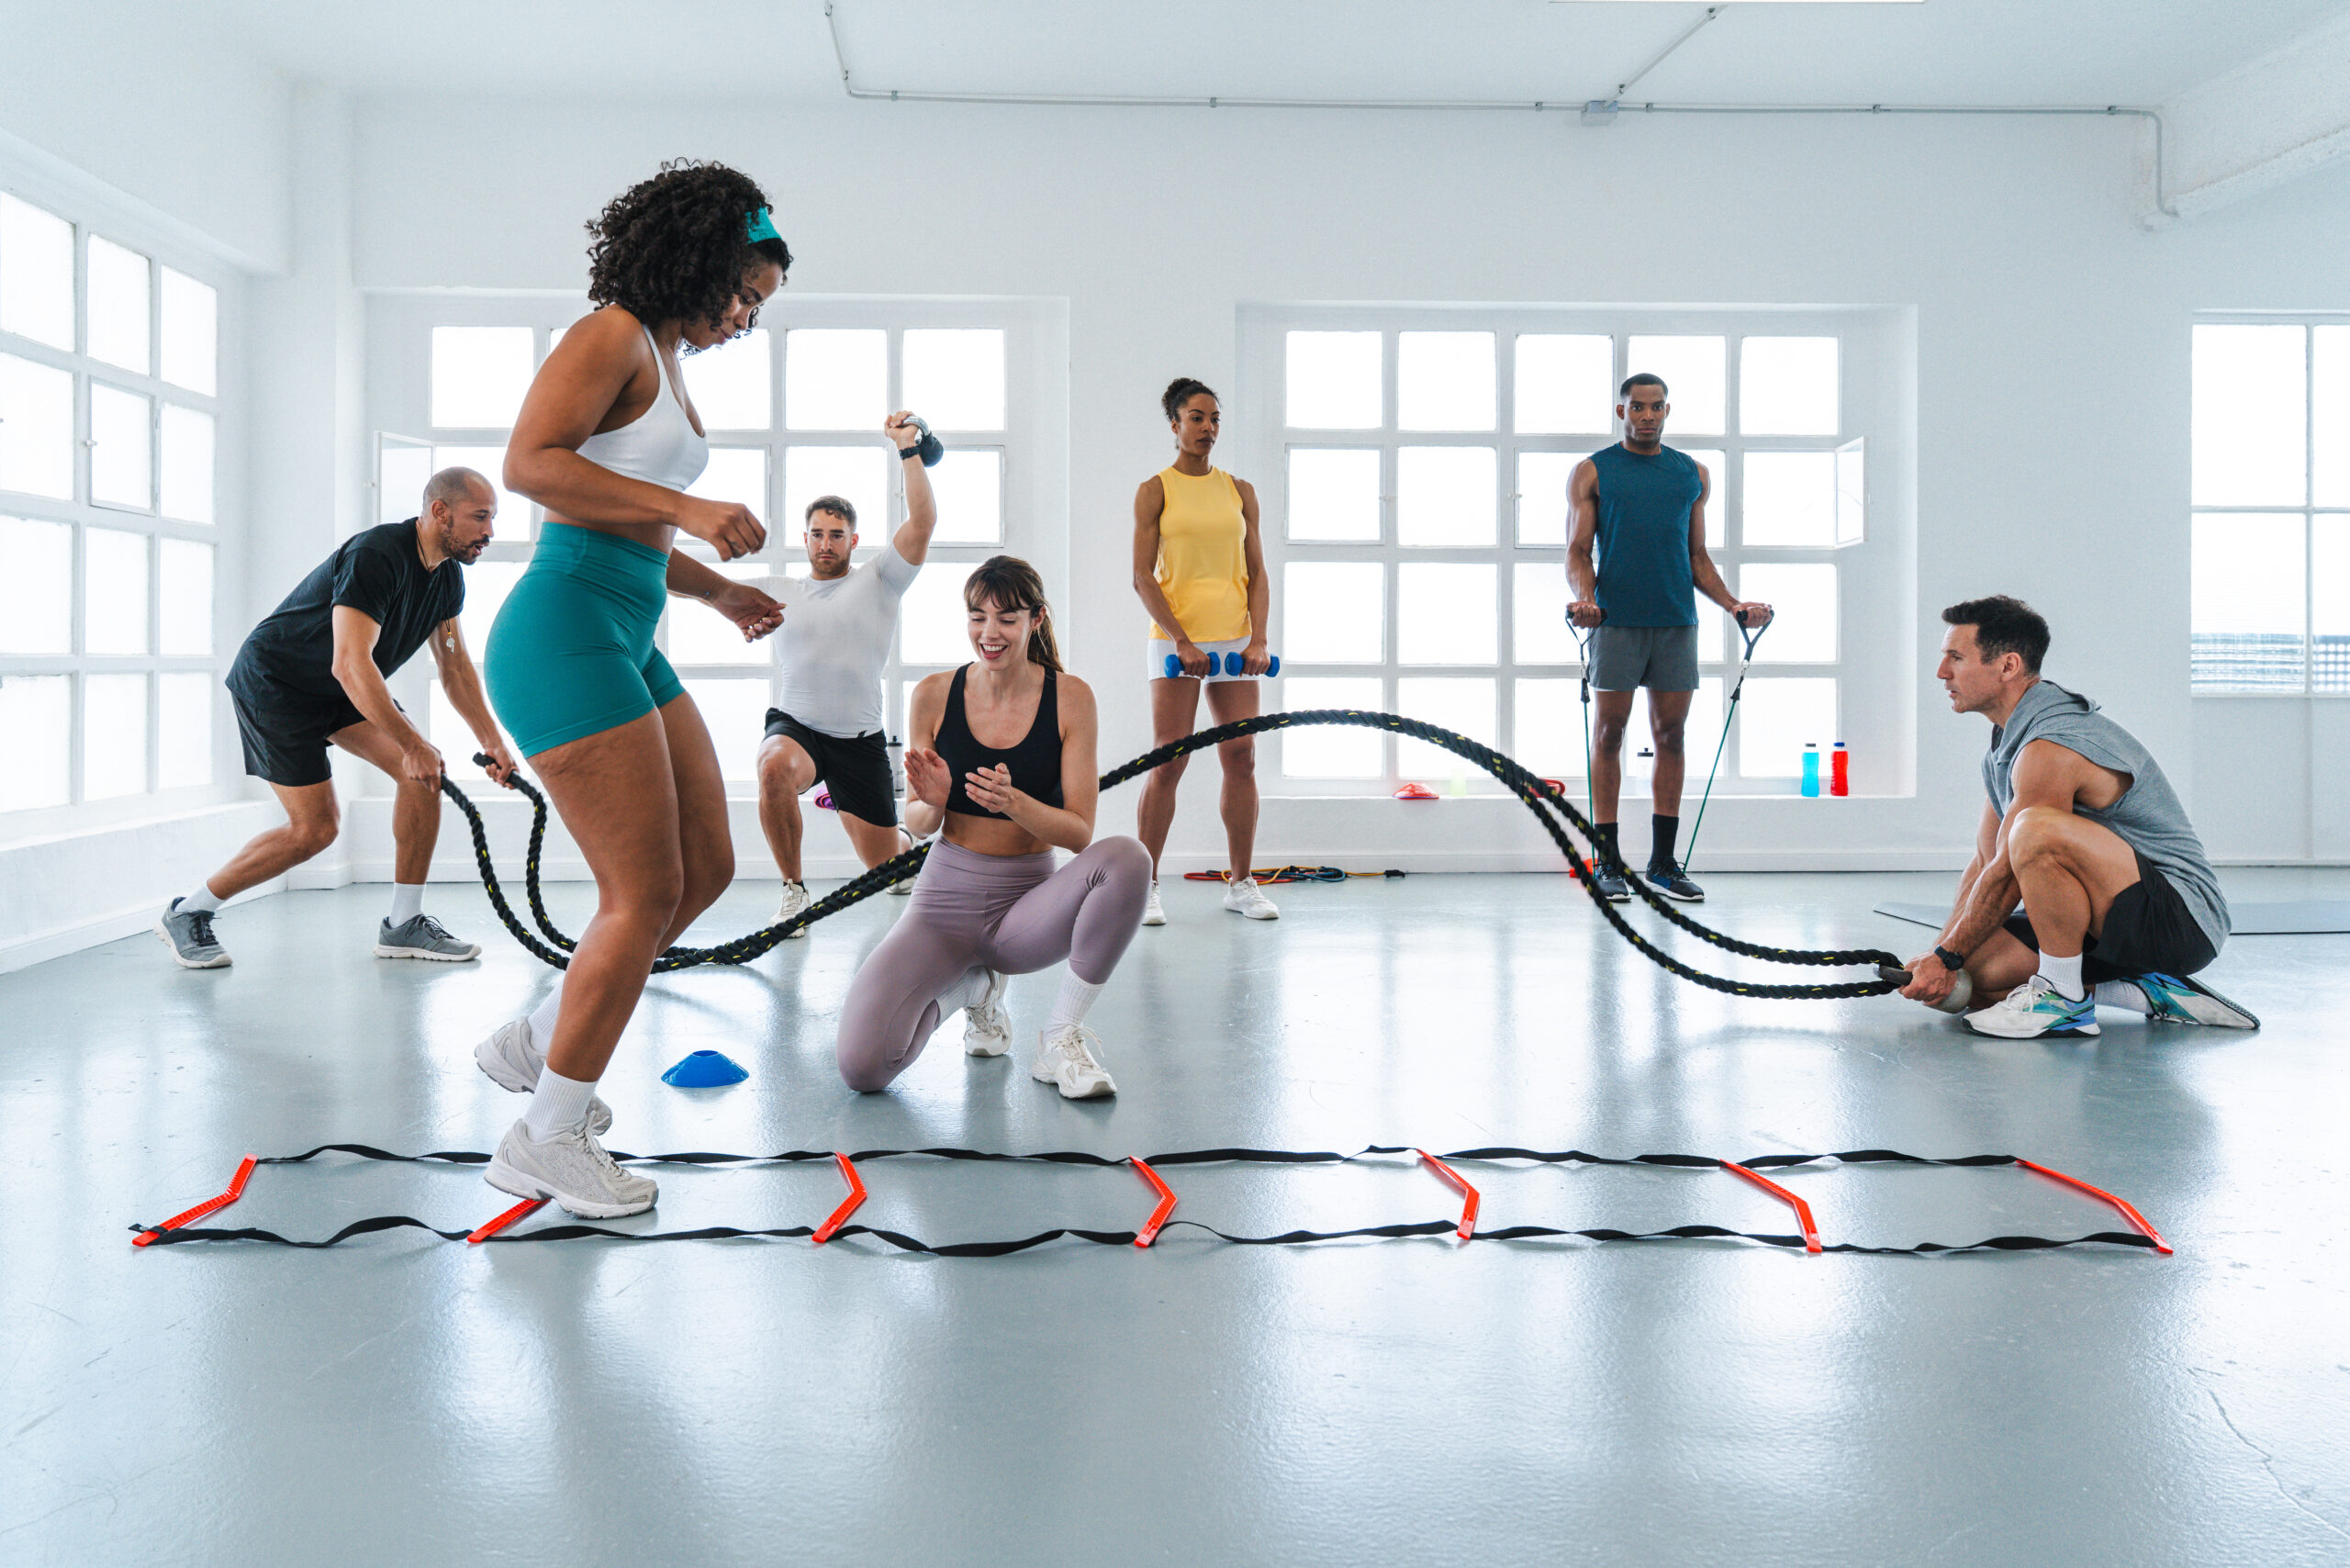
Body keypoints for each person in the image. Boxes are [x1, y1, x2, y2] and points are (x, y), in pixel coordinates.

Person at [470, 162, 789, 1218]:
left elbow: (637, 526)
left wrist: (712, 589)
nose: (744, 316)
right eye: (741, 291)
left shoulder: (662, 356)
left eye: (757, 304)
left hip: (628, 627)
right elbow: (530, 466)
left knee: (703, 867)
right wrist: (690, 513)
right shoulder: (610, 332)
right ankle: (545, 1136)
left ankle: (536, 1036)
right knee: (639, 894)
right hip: (562, 631)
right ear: (696, 259)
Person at [154, 468, 515, 969]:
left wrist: (491, 740)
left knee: (423, 777)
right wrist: (412, 742)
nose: (490, 532)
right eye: (480, 517)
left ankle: (403, 925)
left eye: (492, 518)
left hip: (340, 687)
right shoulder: (377, 555)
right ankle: (188, 912)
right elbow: (350, 661)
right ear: (440, 512)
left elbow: (453, 666)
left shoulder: (446, 579)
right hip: (279, 685)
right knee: (315, 830)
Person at [834, 556, 1150, 1097]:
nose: (990, 633)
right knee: (863, 1068)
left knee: (1127, 859)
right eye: (977, 617)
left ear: (1037, 619)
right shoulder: (934, 693)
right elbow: (916, 818)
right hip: (942, 904)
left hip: (1025, 912)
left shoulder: (1071, 697)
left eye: (1006, 618)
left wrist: (1014, 803)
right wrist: (932, 803)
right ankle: (972, 992)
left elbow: (1078, 833)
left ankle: (1059, 1038)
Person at [1899, 596, 2257, 1037]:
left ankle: (2064, 996)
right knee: (1973, 978)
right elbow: (1983, 862)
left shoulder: (2052, 744)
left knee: (2036, 827)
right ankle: (2145, 989)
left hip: (2179, 922)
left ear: (2008, 665)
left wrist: (1944, 958)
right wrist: (1943, 956)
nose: (1942, 673)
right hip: (2107, 919)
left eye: (1956, 657)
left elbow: (2010, 871)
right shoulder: (2006, 746)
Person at [1568, 372, 1772, 904]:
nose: (1647, 416)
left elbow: (1697, 557)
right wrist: (1586, 600)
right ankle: (1607, 862)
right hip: (1614, 622)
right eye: (1637, 407)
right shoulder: (1594, 471)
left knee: (1671, 737)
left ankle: (1662, 864)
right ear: (1621, 412)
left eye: (1656, 408)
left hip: (1677, 623)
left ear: (1667, 411)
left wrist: (1734, 605)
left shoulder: (1692, 475)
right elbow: (1577, 550)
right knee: (1609, 734)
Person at [754, 414, 938, 931]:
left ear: (854, 541)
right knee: (772, 768)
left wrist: (909, 452)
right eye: (817, 534)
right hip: (798, 728)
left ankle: (901, 842)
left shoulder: (880, 579)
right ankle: (794, 895)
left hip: (858, 741)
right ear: (805, 539)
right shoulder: (779, 589)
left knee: (886, 870)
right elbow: (704, 589)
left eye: (837, 535)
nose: (826, 543)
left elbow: (922, 523)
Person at [1131, 376, 1276, 925]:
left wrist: (1258, 638)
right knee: (1169, 759)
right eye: (1196, 418)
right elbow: (1143, 577)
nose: (1207, 429)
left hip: (1235, 638)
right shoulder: (1156, 489)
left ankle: (1241, 883)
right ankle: (1144, 886)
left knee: (1241, 757)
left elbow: (1258, 572)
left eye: (1214, 419)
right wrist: (1182, 641)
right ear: (1175, 423)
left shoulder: (1240, 490)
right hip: (1175, 641)